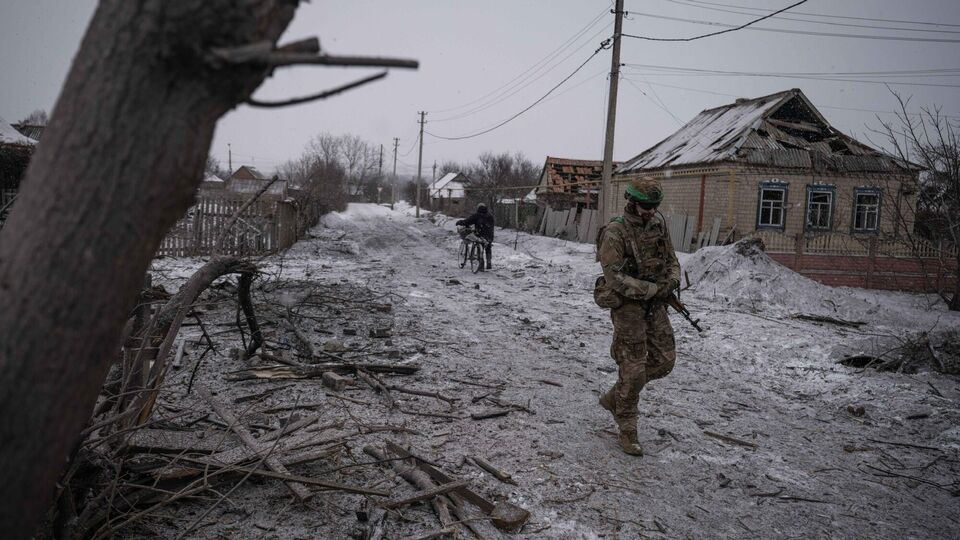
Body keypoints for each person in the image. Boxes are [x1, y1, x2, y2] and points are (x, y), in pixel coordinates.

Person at [596, 177, 681, 456]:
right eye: (645, 206)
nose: (650, 211)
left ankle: (614, 397)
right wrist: (652, 289)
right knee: (633, 368)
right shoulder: (614, 232)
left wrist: (671, 281)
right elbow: (615, 278)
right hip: (627, 305)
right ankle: (628, 428)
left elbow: (671, 260)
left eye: (654, 205)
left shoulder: (658, 224)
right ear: (631, 201)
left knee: (665, 360)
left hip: (654, 301)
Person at [456, 203, 495, 270]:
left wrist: (460, 222)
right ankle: (489, 262)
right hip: (490, 235)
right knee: (488, 247)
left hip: (480, 234)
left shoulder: (477, 215)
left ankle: (481, 264)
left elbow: (467, 221)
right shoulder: (490, 216)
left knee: (480, 246)